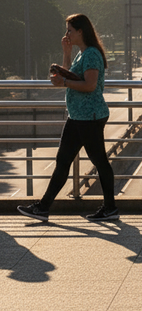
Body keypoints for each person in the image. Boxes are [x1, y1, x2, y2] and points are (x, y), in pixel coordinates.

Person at [18, 14, 118, 222]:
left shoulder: (91, 54)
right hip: (78, 116)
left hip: (89, 117)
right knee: (63, 161)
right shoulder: (82, 53)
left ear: (81, 31)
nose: (67, 34)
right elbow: (70, 74)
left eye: (70, 30)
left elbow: (90, 85)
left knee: (99, 161)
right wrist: (66, 53)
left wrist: (64, 83)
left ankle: (110, 208)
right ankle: (43, 207)